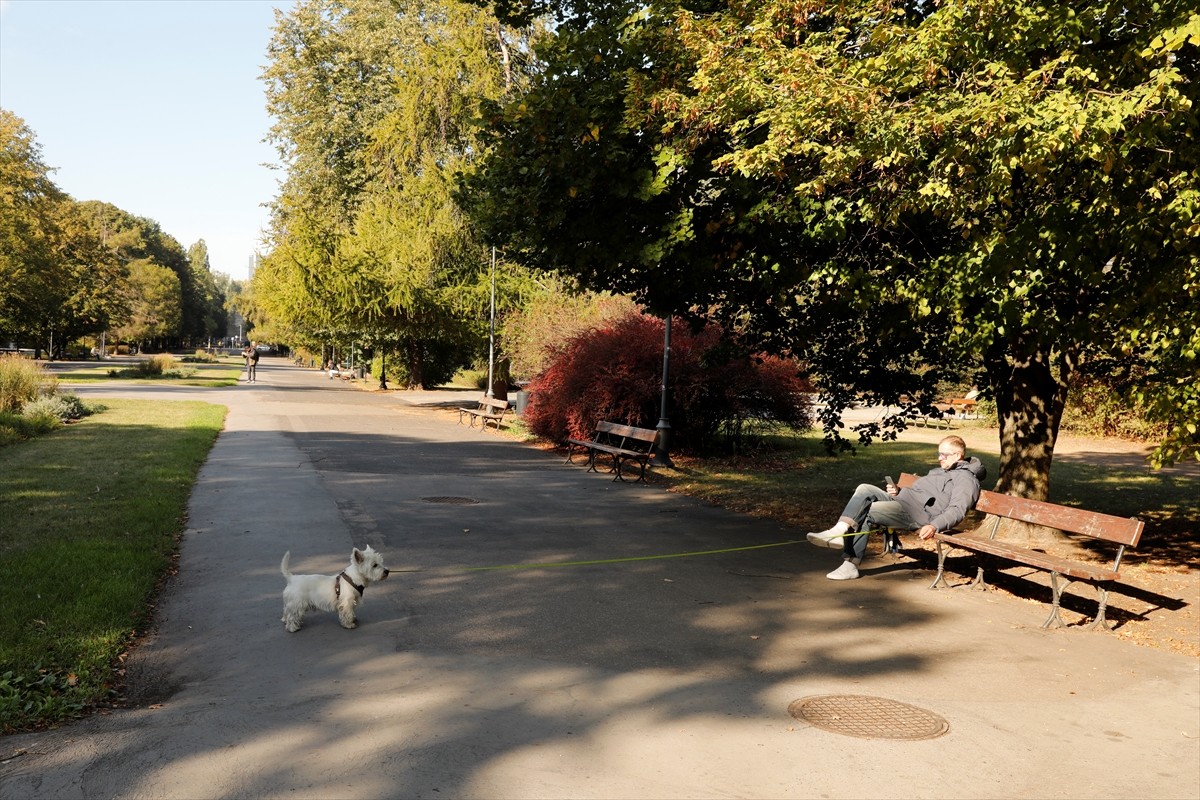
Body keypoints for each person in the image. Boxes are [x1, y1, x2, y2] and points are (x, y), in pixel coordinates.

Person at [806, 435, 986, 581]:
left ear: (957, 455)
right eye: (939, 454)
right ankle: (838, 530)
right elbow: (920, 492)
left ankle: (850, 565)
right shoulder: (941, 471)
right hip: (904, 502)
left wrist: (934, 525)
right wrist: (899, 491)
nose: (939, 458)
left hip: (919, 515)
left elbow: (957, 509)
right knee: (864, 488)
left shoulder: (966, 479)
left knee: (867, 511)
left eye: (944, 455)